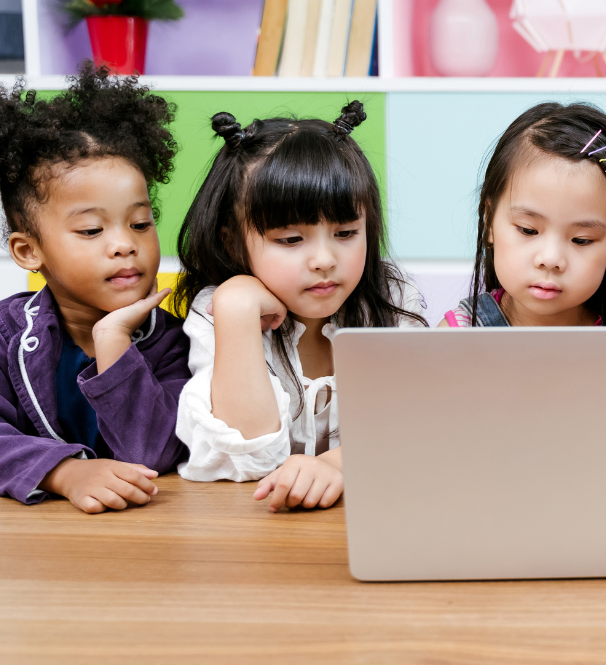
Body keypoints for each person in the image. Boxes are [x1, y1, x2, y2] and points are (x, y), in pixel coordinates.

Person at [0, 65, 190, 512]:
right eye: (91, 229)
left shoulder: (174, 338)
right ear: (28, 251)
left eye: (140, 223)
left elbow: (154, 451)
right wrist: (64, 471)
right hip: (37, 546)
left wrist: (114, 339)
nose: (124, 245)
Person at [173, 102, 426, 512]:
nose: (324, 259)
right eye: (291, 240)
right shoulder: (218, 310)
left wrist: (340, 464)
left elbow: (420, 428)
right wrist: (236, 308)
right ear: (233, 242)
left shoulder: (391, 299)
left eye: (346, 232)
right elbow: (245, 458)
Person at [440, 102, 606, 329]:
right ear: (488, 221)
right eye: (528, 230)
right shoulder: (456, 336)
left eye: (581, 240)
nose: (550, 259)